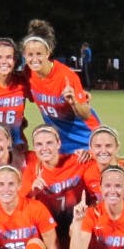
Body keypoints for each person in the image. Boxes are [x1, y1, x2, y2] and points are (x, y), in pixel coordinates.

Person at [22, 19, 101, 153]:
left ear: (48, 53)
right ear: (24, 55)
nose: (34, 59)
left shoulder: (66, 77)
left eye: (39, 54)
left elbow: (86, 114)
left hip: (86, 138)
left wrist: (74, 102)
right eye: (30, 55)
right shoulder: (28, 74)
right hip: (58, 143)